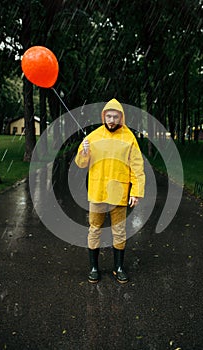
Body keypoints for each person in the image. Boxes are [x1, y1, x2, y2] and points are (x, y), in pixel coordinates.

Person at [75, 98, 145, 283]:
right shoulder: (93, 137)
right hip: (97, 192)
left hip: (119, 193)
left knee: (119, 231)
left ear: (121, 117)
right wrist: (84, 151)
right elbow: (81, 164)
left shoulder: (129, 138)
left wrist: (136, 191)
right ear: (103, 116)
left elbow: (137, 167)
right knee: (94, 229)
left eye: (115, 116)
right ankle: (93, 267)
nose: (112, 119)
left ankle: (119, 267)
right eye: (109, 116)